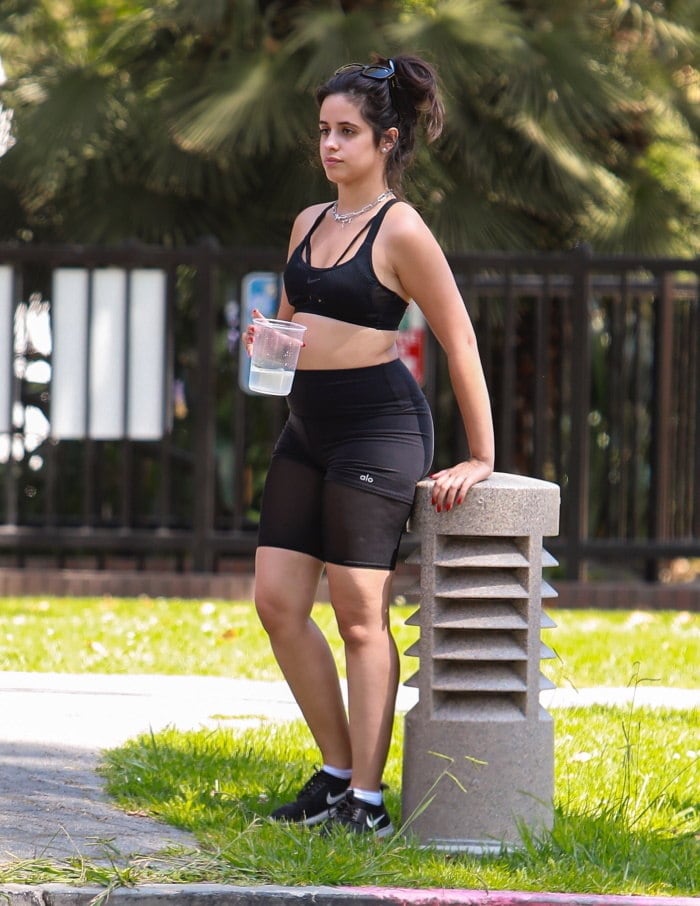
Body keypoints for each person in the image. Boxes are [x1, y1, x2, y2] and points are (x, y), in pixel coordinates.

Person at [244, 54, 494, 837]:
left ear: (386, 139)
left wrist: (480, 455)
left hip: (379, 426)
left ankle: (369, 802)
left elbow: (458, 341)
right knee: (278, 602)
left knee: (358, 612)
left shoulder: (403, 229)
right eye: (323, 130)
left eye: (347, 131)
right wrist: (265, 343)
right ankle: (334, 772)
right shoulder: (308, 222)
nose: (331, 144)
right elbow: (289, 330)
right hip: (307, 426)